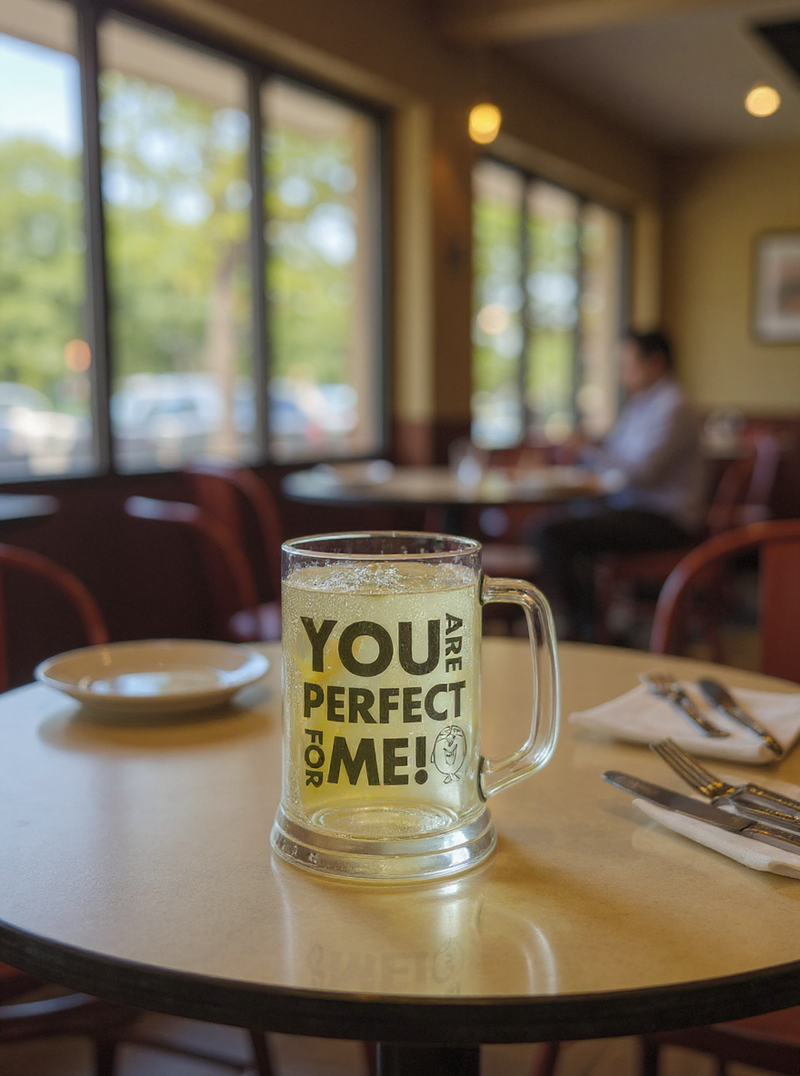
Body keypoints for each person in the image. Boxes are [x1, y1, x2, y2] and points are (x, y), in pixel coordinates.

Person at [532, 329, 705, 641]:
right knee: (558, 524)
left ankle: (584, 631)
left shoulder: (674, 406)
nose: (622, 372)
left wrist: (586, 450)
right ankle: (592, 626)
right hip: (636, 510)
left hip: (665, 521)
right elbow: (615, 456)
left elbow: (641, 472)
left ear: (656, 363)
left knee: (550, 533)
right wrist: (586, 453)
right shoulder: (642, 403)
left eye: (628, 364)